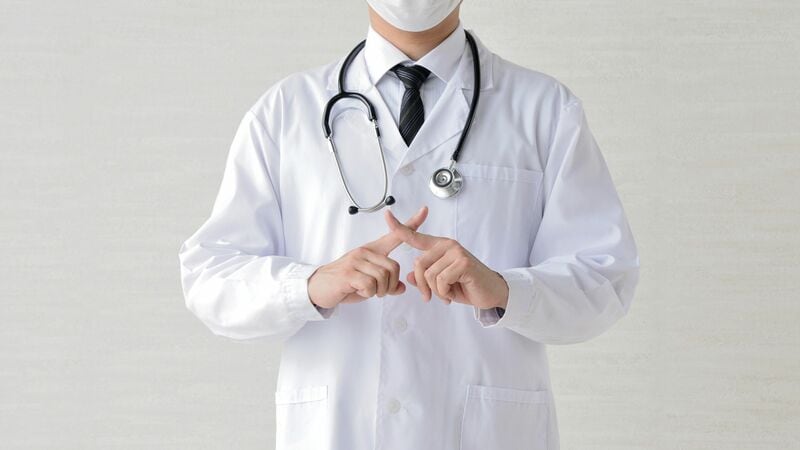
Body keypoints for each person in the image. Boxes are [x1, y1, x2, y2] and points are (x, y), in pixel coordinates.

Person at [178, 1, 640, 448]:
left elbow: (604, 277)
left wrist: (505, 290)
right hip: (339, 430)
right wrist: (310, 285)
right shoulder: (285, 112)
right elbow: (210, 278)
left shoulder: (545, 109)